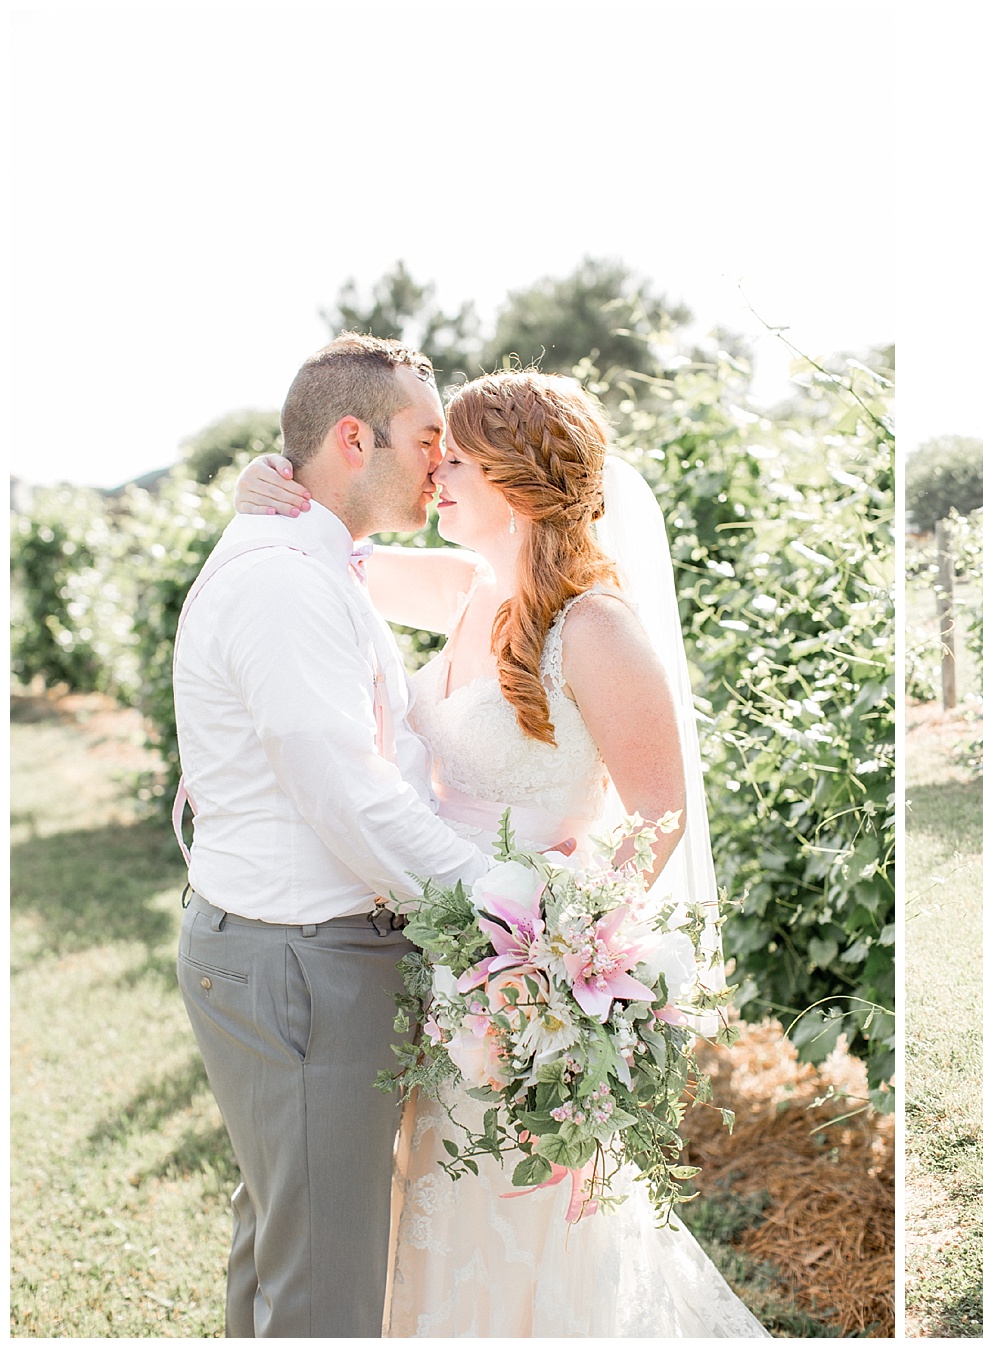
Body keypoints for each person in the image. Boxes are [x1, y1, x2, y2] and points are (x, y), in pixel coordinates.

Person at [235, 367, 768, 1335]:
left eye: (460, 458)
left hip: (529, 974)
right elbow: (337, 553)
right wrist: (267, 489)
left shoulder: (594, 625)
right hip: (442, 955)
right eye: (435, 451)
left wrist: (567, 959)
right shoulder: (473, 591)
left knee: (523, 1218)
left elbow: (660, 809)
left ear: (517, 480)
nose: (436, 472)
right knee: (434, 1196)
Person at [173, 334, 495, 1337]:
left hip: (302, 954)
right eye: (428, 438)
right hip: (303, 966)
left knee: (293, 1247)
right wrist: (509, 903)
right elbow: (349, 799)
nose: (441, 460)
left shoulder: (319, 557)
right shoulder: (284, 581)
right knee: (324, 1288)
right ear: (356, 440)